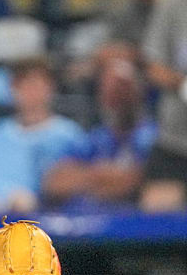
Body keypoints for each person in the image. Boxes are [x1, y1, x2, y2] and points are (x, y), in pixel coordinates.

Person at [0, 57, 88, 214]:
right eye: (23, 85)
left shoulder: (68, 134)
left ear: (50, 89)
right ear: (13, 90)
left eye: (37, 85)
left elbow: (76, 182)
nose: (31, 92)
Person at [42, 59, 157, 211]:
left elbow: (136, 180)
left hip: (134, 226)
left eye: (123, 88)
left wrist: (86, 175)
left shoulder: (153, 138)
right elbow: (55, 182)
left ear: (139, 92)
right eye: (110, 89)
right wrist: (103, 176)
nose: (117, 97)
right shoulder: (95, 138)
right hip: (84, 224)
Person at [139, 0, 187, 212]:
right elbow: (153, 66)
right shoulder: (174, 3)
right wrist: (183, 84)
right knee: (157, 207)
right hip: (176, 142)